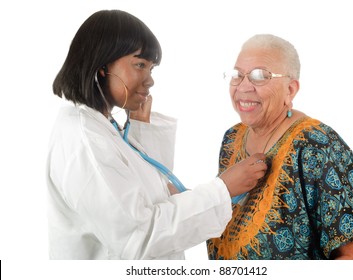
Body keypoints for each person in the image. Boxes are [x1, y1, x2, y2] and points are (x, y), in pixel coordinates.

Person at [46, 10, 268, 260]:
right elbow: (139, 237)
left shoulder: (102, 129)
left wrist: (143, 131)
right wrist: (223, 189)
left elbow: (151, 199)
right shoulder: (84, 139)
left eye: (151, 68)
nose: (150, 80)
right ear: (102, 68)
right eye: (140, 65)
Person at [207, 34, 353, 260]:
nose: (243, 86)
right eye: (237, 75)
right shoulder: (232, 138)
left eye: (259, 76)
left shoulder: (318, 145)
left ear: (290, 90)